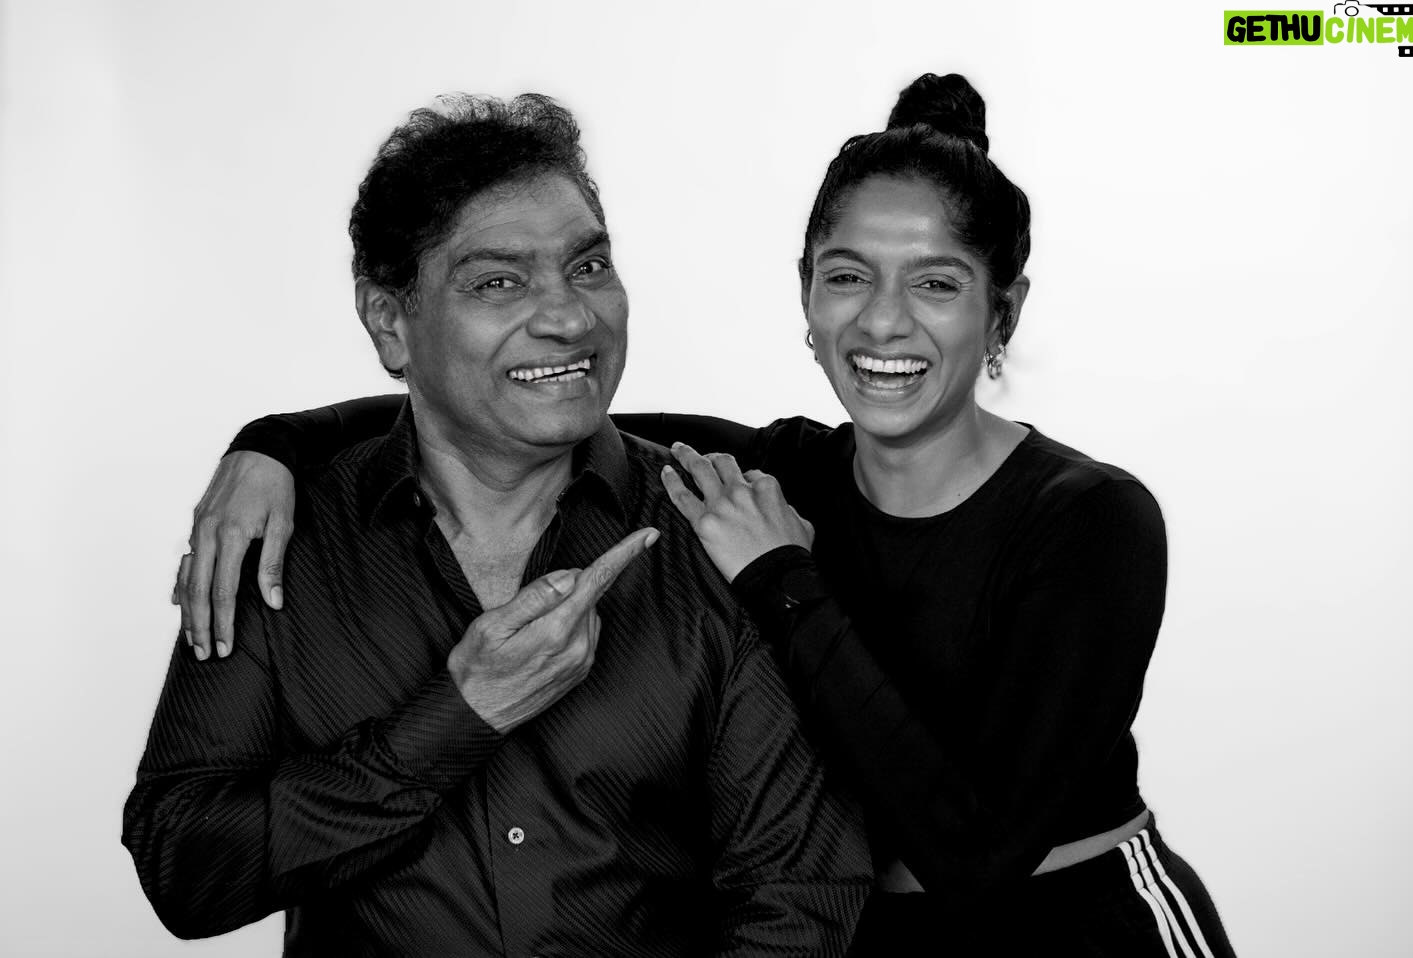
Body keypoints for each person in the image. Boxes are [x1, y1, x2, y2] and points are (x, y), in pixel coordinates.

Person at [174, 75, 1237, 955]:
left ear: (1003, 311)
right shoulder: (777, 473)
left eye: (937, 284)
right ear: (806, 296)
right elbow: (516, 400)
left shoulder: (1089, 520)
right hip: (876, 937)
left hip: (1073, 922)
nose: (883, 321)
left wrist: (784, 581)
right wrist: (272, 444)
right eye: (848, 276)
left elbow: (977, 853)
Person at [123, 92, 871, 956]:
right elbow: (184, 869)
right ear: (389, 323)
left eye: (589, 267)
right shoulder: (282, 543)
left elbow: (800, 899)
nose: (570, 318)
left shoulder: (720, 535)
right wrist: (456, 718)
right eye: (498, 282)